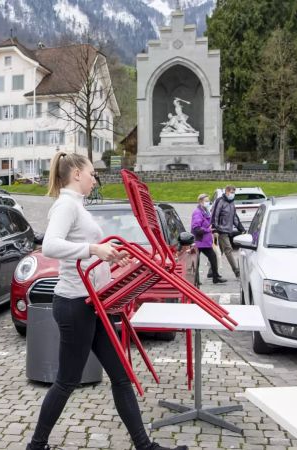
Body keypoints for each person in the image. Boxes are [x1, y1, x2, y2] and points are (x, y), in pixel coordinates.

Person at [27, 152, 186, 450]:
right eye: (91, 173)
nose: (94, 179)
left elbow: (86, 247)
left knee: (121, 375)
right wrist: (94, 250)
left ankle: (144, 446)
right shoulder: (65, 204)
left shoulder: (77, 206)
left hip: (92, 303)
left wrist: (108, 251)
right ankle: (36, 445)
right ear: (76, 173)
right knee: (66, 381)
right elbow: (49, 245)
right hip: (75, 304)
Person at [210, 185, 245, 278]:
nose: (233, 194)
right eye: (232, 192)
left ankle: (211, 270)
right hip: (220, 230)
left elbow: (234, 217)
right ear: (227, 192)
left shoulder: (232, 203)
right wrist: (214, 229)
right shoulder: (220, 201)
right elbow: (214, 215)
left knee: (219, 251)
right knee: (228, 249)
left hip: (227, 230)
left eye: (234, 193)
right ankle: (236, 271)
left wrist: (241, 228)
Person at [192, 193, 226, 285]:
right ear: (200, 202)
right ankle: (196, 280)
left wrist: (212, 230)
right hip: (199, 241)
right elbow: (196, 228)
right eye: (206, 201)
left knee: (213, 257)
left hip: (205, 241)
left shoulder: (205, 211)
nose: (208, 203)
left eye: (208, 201)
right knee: (197, 262)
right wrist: (208, 230)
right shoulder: (198, 212)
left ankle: (215, 277)